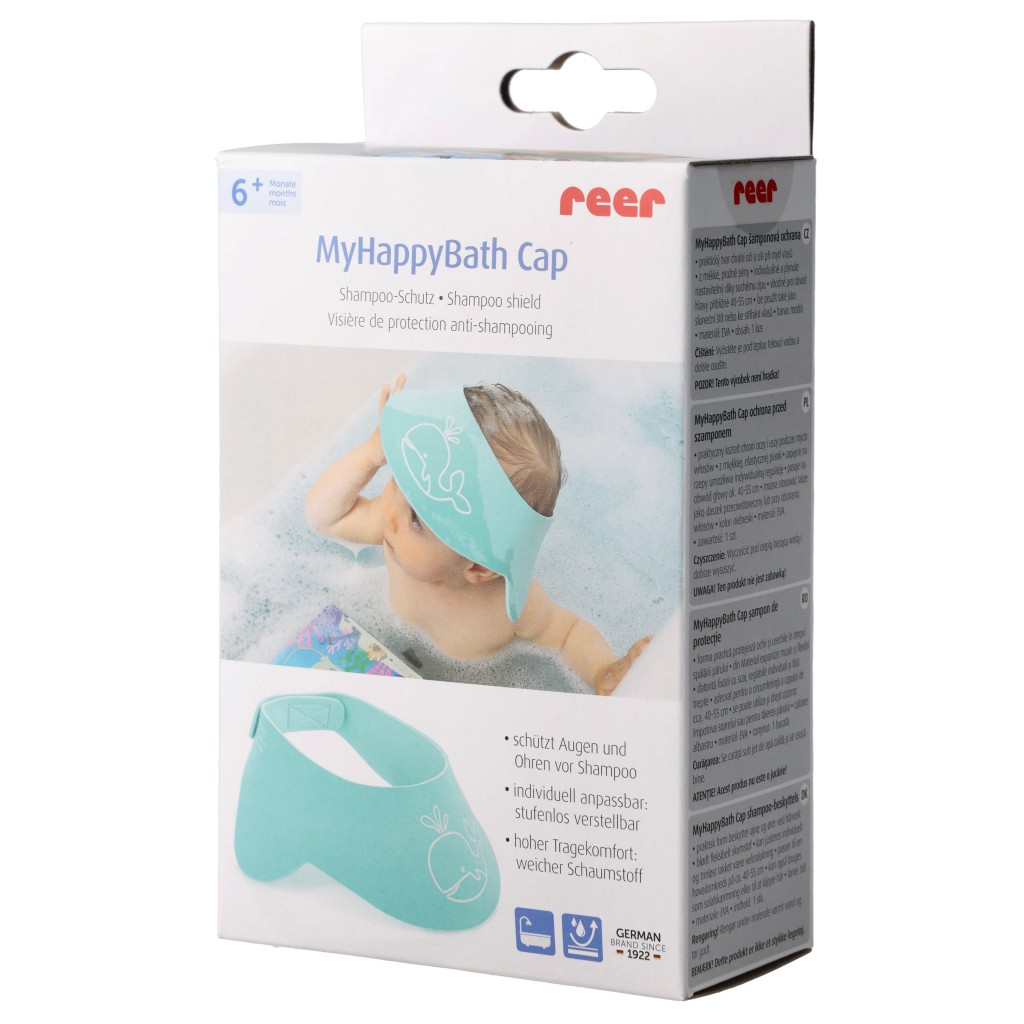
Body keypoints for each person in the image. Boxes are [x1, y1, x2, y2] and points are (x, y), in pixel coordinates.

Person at [304, 375, 650, 694]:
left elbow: (568, 633)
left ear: (479, 567)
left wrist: (602, 671)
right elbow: (324, 518)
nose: (390, 511)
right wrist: (371, 454)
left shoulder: (508, 609)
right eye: (398, 481)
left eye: (417, 521)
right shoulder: (393, 525)